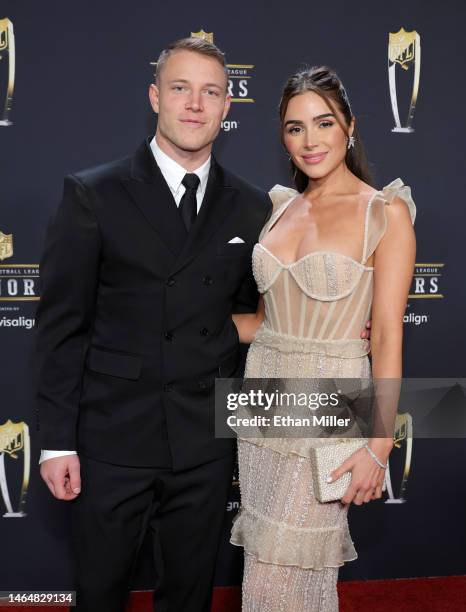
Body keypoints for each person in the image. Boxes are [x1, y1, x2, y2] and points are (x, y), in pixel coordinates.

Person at [34, 37, 272, 612]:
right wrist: (55, 443)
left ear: (227, 108)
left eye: (211, 92)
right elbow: (61, 329)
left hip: (204, 440)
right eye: (180, 88)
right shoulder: (94, 193)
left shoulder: (252, 206)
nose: (195, 104)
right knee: (100, 594)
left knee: (189, 596)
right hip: (114, 436)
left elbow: (250, 317)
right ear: (155, 97)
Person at [230, 66, 416, 611]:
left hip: (332, 402)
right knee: (267, 568)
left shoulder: (383, 213)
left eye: (323, 123)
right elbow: (264, 323)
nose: (309, 141)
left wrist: (379, 447)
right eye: (294, 127)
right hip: (263, 402)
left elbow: (385, 334)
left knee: (283, 579)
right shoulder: (279, 208)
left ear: (349, 127)